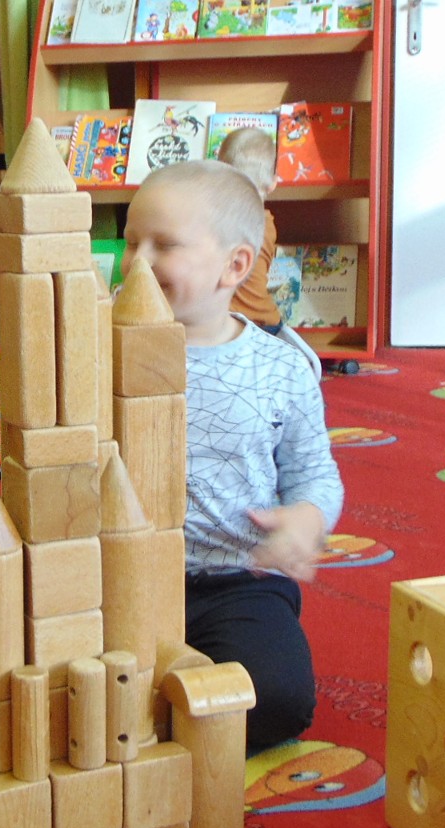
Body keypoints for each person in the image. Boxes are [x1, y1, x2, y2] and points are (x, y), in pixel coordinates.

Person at [121, 159, 343, 753]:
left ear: (236, 265)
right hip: (117, 576)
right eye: (131, 241)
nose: (136, 261)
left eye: (164, 245)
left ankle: (165, 716)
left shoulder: (283, 368)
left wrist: (306, 518)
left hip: (233, 579)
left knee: (277, 697)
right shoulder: (101, 342)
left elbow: (314, 473)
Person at [216, 127, 323, 379]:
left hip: (227, 324)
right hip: (268, 322)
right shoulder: (267, 224)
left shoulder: (211, 221)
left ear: (218, 175)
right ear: (273, 182)